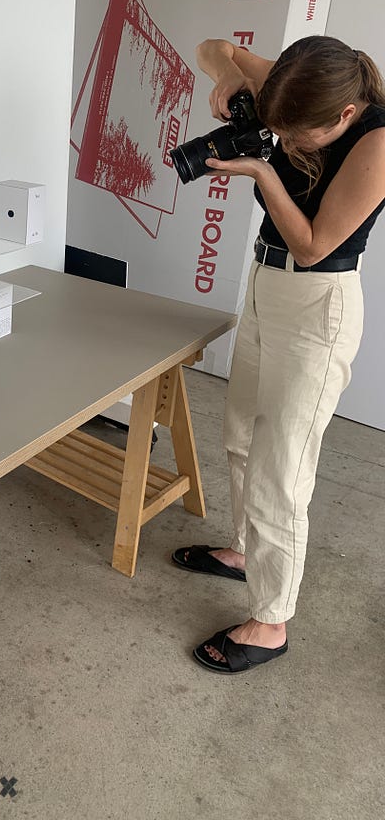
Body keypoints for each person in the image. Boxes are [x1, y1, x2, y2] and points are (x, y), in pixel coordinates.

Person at [172, 35, 385, 674]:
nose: (289, 140)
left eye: (302, 134)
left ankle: (271, 621)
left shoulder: (377, 143)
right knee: (240, 430)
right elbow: (214, 46)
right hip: (267, 279)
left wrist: (263, 171)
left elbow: (316, 244)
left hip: (317, 300)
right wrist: (224, 79)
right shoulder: (297, 83)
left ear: (344, 116)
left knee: (282, 468)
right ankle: (244, 551)